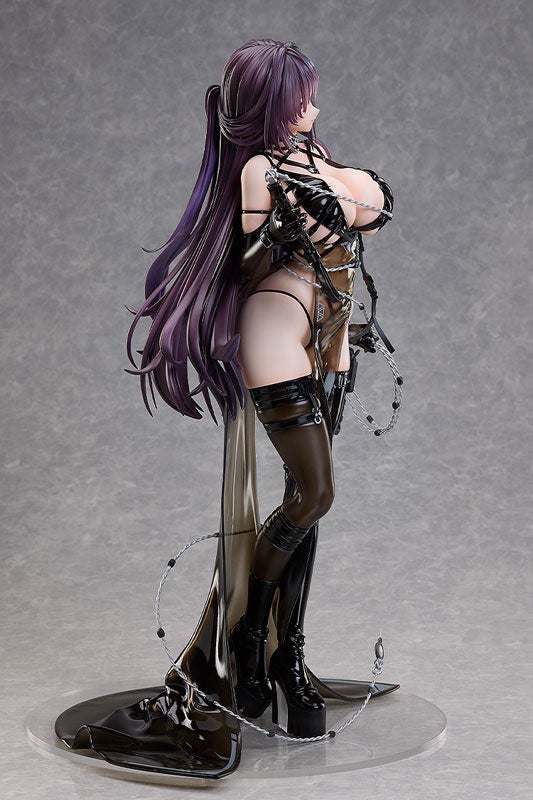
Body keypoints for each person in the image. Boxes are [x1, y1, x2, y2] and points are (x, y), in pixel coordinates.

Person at [55, 39, 396, 780]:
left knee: (306, 507)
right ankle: (246, 639)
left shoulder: (313, 155)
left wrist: (332, 199)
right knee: (314, 494)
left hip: (331, 337)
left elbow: (370, 213)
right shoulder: (258, 169)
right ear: (272, 104)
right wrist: (296, 219)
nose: (314, 107)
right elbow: (246, 260)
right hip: (277, 325)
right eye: (300, 97)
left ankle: (286, 657)